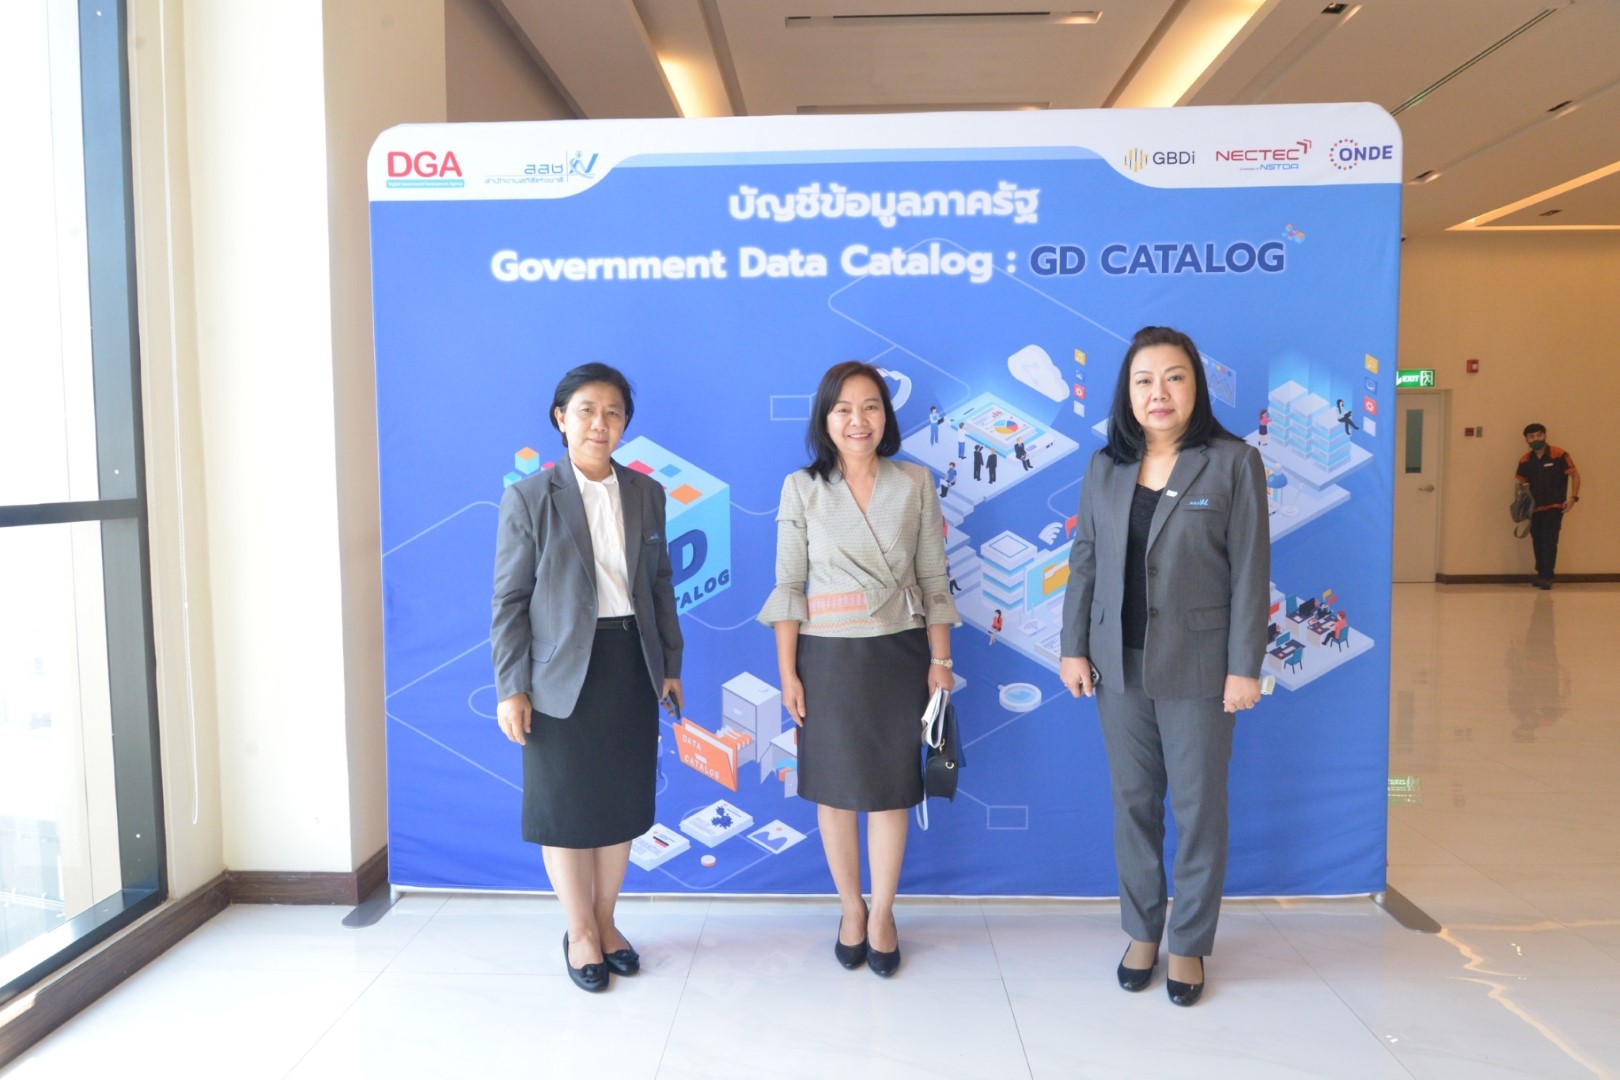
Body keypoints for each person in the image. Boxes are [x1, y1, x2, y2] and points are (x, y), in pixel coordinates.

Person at [1059, 326, 1269, 1008]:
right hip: (1116, 665)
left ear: (1195, 386)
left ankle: (1188, 943)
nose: (1159, 393)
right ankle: (1142, 932)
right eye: (1144, 379)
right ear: (1127, 391)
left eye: (1174, 377)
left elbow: (1250, 571)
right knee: (1133, 805)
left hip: (1201, 667)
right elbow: (1085, 561)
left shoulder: (1232, 462)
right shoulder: (1105, 465)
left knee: (1199, 808)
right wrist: (1072, 646)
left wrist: (1244, 667)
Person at [758, 361, 959, 978]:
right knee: (837, 793)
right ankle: (851, 908)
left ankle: (883, 914)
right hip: (827, 657)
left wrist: (941, 660)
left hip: (900, 653)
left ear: (885, 416)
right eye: (843, 408)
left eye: (870, 406)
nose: (858, 420)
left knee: (892, 790)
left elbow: (933, 578)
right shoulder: (802, 487)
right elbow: (788, 586)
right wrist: (789, 675)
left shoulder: (915, 482)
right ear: (825, 419)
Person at [491, 363, 685, 994]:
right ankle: (579, 930)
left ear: (624, 424)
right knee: (566, 808)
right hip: (558, 674)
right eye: (586, 410)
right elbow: (510, 600)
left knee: (619, 804)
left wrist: (670, 665)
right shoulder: (530, 496)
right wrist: (511, 686)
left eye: (613, 412)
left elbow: (660, 585)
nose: (600, 423)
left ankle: (606, 921)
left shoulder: (646, 493)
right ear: (561, 419)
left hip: (631, 662)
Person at [1515, 423, 1580, 589]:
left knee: (1550, 540)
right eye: (1531, 436)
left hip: (1554, 506)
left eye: (1539, 435)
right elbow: (1520, 483)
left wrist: (1573, 498)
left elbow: (1575, 475)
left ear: (1545, 436)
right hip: (1534, 508)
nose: (1536, 439)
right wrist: (1523, 489)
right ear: (1526, 439)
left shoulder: (1559, 454)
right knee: (1537, 541)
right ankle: (1541, 573)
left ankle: (1547, 576)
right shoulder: (1525, 460)